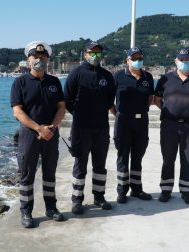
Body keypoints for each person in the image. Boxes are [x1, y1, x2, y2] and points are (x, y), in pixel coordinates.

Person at [10, 41, 66, 228]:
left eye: (43, 58)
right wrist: (38, 128)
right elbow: (17, 111)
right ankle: (26, 212)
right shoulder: (20, 82)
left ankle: (51, 208)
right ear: (28, 60)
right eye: (36, 57)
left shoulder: (54, 82)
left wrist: (52, 127)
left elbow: (61, 107)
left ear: (48, 61)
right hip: (28, 135)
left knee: (49, 173)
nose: (39, 60)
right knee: (27, 175)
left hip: (51, 133)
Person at [154, 48, 189, 205]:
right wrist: (168, 112)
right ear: (175, 61)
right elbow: (157, 99)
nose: (184, 62)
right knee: (168, 159)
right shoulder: (165, 79)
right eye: (181, 59)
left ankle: (186, 192)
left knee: (187, 160)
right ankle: (165, 190)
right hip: (169, 125)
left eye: (187, 60)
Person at [64, 41, 115, 215]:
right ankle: (77, 200)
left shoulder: (107, 76)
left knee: (100, 165)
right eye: (92, 52)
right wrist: (79, 114)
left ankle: (99, 197)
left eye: (98, 53)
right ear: (85, 54)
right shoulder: (76, 73)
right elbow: (67, 100)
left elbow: (110, 100)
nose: (95, 55)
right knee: (80, 165)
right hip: (81, 128)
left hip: (101, 127)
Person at [110, 47, 154, 204]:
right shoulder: (118, 76)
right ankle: (122, 191)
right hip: (123, 122)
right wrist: (119, 114)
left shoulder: (148, 77)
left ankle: (137, 189)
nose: (137, 61)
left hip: (141, 121)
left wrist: (141, 110)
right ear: (127, 60)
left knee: (137, 157)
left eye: (139, 58)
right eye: (133, 58)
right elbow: (110, 101)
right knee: (122, 156)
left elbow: (150, 97)